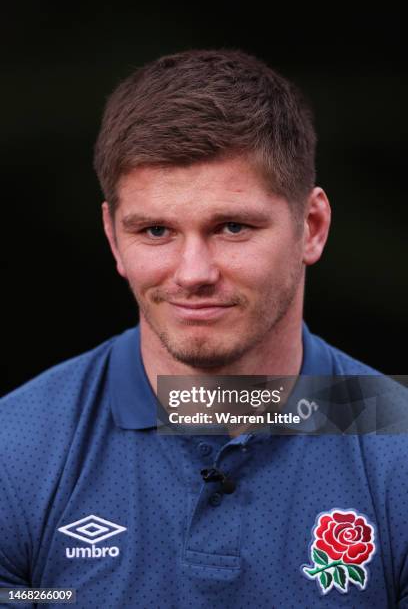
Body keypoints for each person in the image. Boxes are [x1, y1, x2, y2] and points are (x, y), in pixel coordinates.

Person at [0, 49, 407, 608]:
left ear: (311, 227)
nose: (193, 274)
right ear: (114, 237)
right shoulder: (17, 449)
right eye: (155, 230)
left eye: (233, 227)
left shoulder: (397, 448)